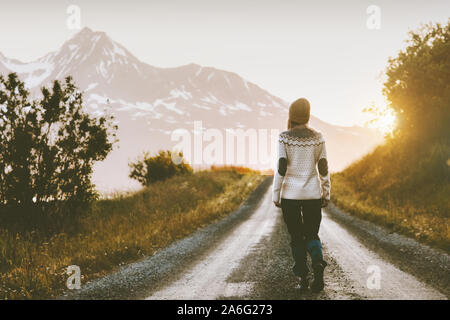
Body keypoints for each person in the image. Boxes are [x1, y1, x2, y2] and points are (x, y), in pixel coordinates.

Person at [272, 97, 330, 292]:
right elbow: (323, 168)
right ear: (307, 115)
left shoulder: (284, 137)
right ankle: (318, 263)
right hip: (313, 195)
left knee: (297, 237)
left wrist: (276, 194)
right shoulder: (318, 137)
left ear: (291, 116)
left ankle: (303, 278)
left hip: (291, 196)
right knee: (312, 233)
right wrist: (326, 192)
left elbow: (281, 167)